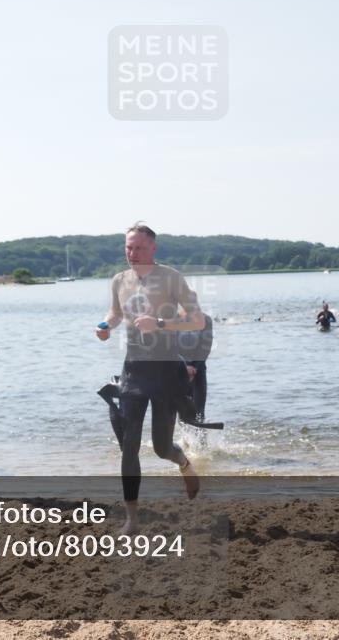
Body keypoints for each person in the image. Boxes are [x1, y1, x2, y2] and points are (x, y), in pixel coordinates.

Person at [96, 222, 205, 535]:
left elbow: (196, 320)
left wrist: (159, 323)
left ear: (153, 248)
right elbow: (116, 313)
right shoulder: (120, 280)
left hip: (165, 372)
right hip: (133, 372)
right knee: (129, 446)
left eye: (139, 248)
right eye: (128, 247)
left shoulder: (171, 278)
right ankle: (132, 519)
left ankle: (183, 463)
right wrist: (105, 326)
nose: (132, 253)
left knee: (161, 448)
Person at [177, 312, 213, 420]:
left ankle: (200, 430)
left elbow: (205, 347)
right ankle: (183, 431)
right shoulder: (171, 319)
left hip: (198, 368)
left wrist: (195, 368)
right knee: (181, 411)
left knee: (199, 412)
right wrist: (184, 367)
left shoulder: (205, 319)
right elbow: (168, 347)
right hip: (177, 368)